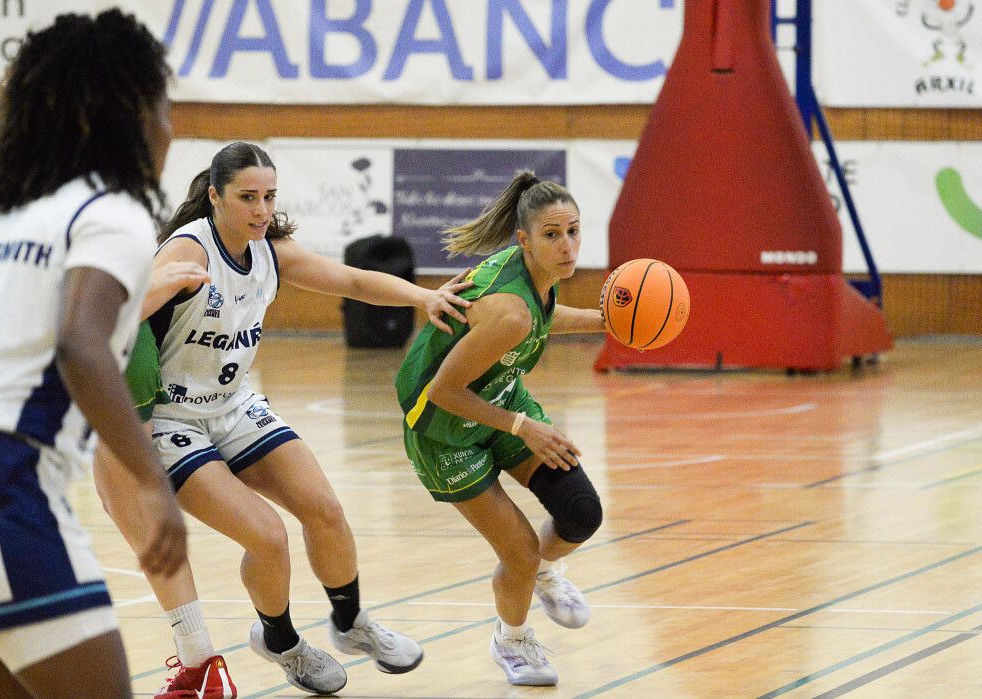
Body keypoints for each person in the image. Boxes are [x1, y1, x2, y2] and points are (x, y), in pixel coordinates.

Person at [0, 11, 187, 698]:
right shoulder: (113, 211)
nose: (172, 127)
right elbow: (80, 342)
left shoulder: (0, 211)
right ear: (128, 114)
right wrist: (152, 479)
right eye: (166, 107)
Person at [94, 141, 472, 696]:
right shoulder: (189, 252)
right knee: (268, 537)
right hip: (175, 421)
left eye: (269, 197)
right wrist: (163, 286)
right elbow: (120, 307)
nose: (261, 210)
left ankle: (350, 622)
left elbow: (355, 282)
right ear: (215, 196)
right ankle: (284, 643)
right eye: (248, 197)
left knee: (325, 511)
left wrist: (424, 296)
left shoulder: (269, 250)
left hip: (235, 406)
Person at [394, 171, 606, 686]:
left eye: (574, 231)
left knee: (581, 513)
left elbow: (546, 319)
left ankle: (543, 571)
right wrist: (523, 426)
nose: (567, 245)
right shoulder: (509, 312)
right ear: (524, 240)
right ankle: (511, 642)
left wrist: (609, 319)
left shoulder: (534, 280)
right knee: (519, 553)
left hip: (498, 399)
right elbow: (442, 392)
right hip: (443, 428)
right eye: (552, 235)